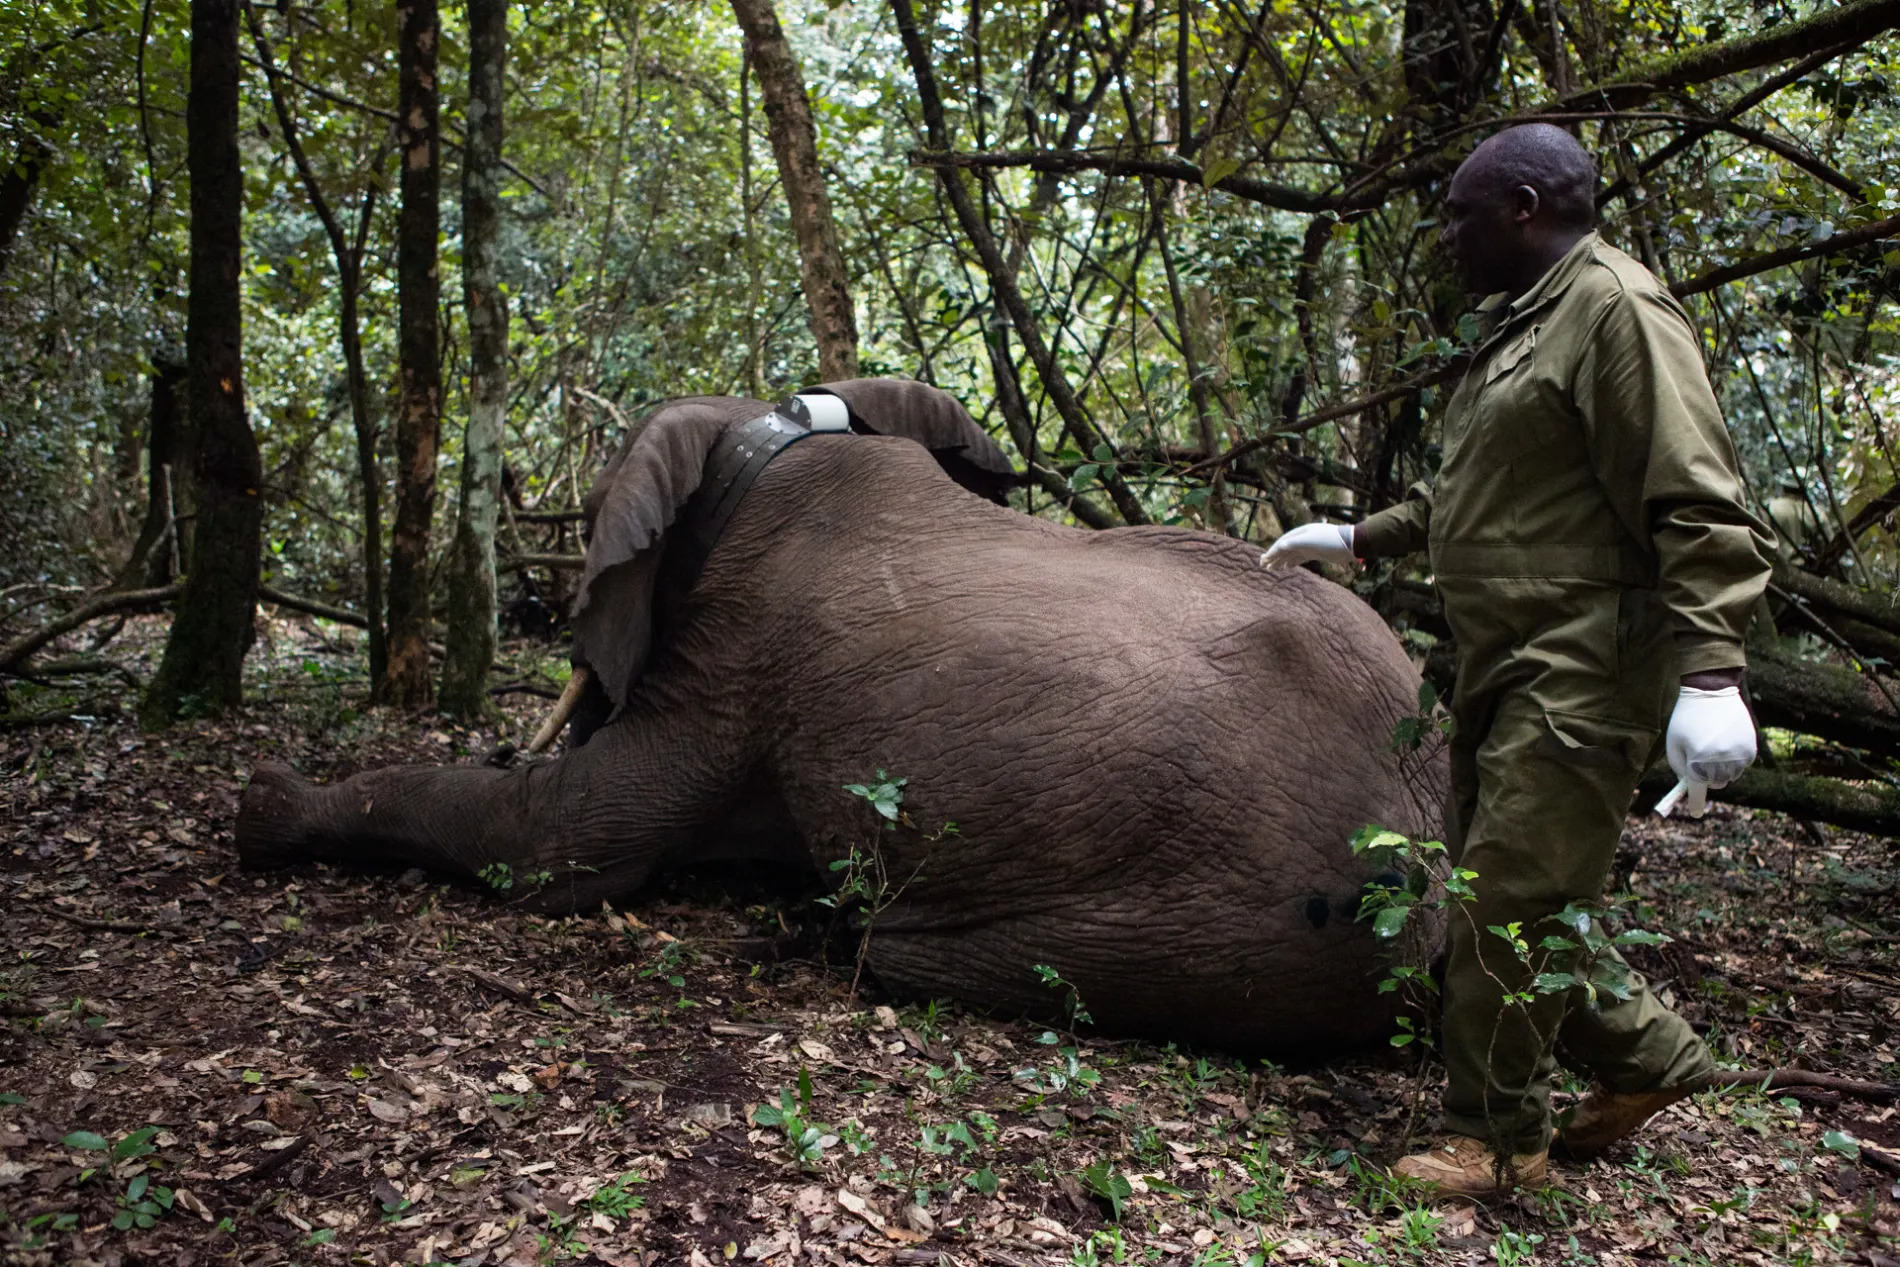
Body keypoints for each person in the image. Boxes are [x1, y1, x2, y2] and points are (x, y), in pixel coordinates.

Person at [1263, 123, 1774, 1197]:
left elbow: (1695, 498)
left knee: (1508, 900)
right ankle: (1648, 1056)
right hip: (1503, 654)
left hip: (1584, 663)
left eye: (1461, 214)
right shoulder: (1521, 325)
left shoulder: (1617, 312)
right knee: (1509, 890)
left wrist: (1713, 671)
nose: (1446, 235)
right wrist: (1363, 537)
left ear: (1526, 207)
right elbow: (1479, 491)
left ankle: (1496, 1140)